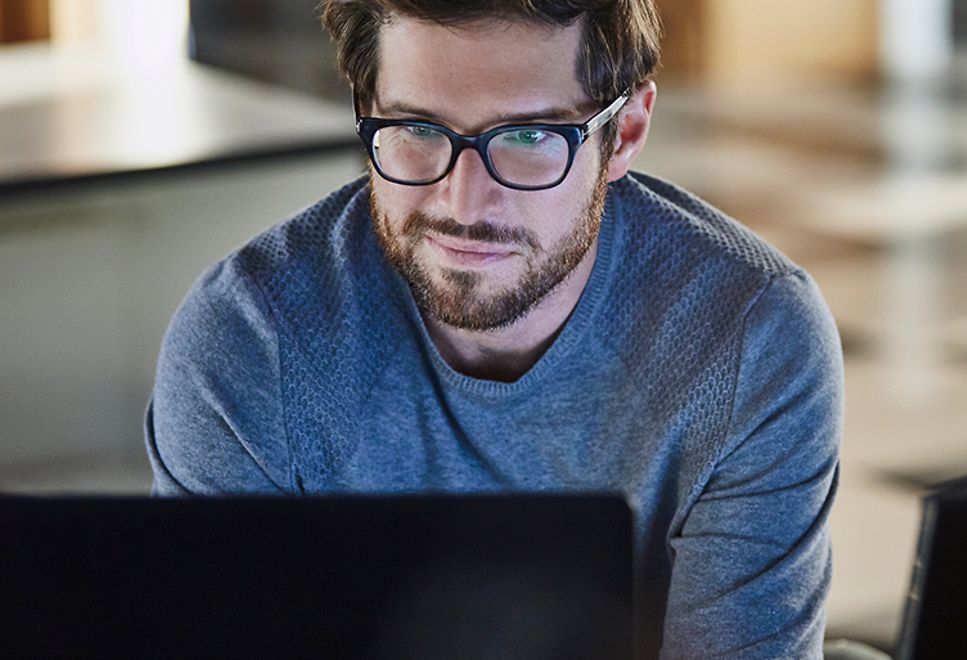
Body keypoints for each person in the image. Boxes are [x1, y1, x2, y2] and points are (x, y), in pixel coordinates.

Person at [144, 1, 843, 657]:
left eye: (528, 136)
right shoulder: (247, 341)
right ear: (366, 113)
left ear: (624, 133)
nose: (464, 201)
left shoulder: (750, 337)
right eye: (418, 129)